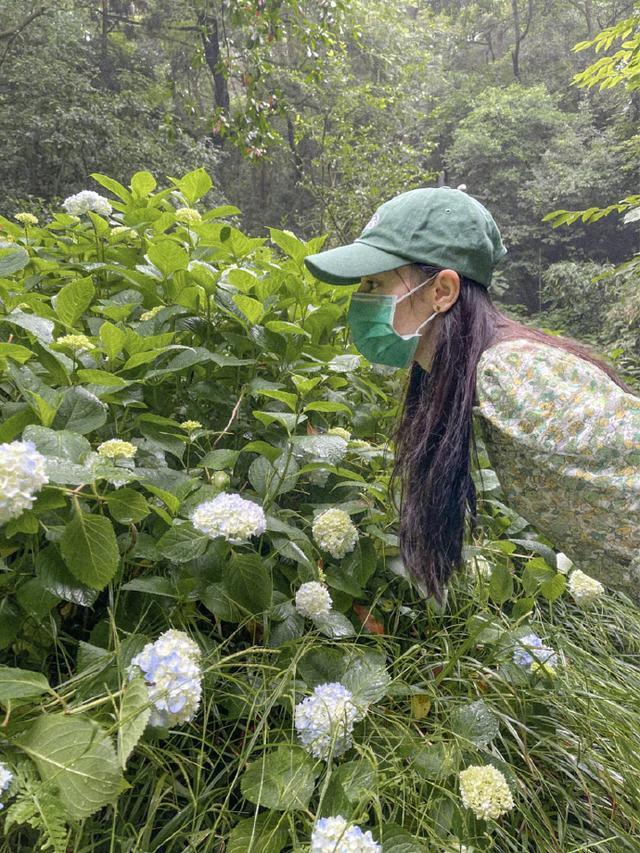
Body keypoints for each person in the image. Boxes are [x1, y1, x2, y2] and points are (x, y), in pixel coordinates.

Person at [303, 186, 640, 605]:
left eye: (374, 283)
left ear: (442, 290)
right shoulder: (466, 378)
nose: (361, 300)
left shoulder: (512, 372)